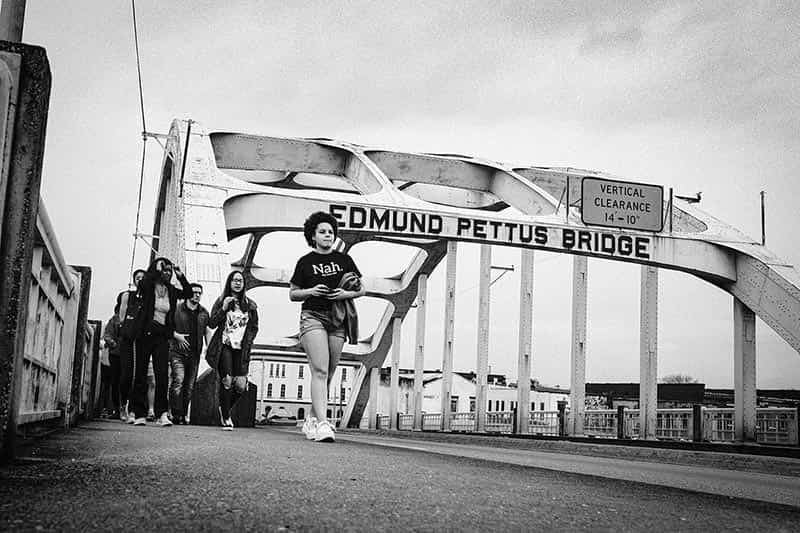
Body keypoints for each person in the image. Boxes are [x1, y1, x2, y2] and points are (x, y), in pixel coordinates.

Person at [289, 211, 364, 442]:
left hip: (338, 318)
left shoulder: (344, 260)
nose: (327, 236)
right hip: (313, 316)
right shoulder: (305, 262)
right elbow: (293, 294)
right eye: (322, 232)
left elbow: (362, 289)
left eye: (331, 232)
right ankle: (323, 424)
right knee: (319, 370)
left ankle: (311, 419)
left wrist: (346, 293)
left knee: (330, 372)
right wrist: (311, 291)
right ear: (313, 235)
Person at [129, 257, 193, 426]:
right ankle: (139, 413)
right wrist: (155, 269)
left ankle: (162, 414)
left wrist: (181, 276)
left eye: (169, 271)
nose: (167, 273)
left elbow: (188, 293)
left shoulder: (171, 290)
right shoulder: (149, 286)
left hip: (162, 337)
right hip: (144, 335)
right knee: (141, 375)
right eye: (163, 270)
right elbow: (142, 283)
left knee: (162, 375)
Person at [206, 271, 259, 431]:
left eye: (240, 280)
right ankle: (227, 417)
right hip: (225, 347)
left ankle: (224, 408)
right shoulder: (222, 301)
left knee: (241, 386)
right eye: (234, 280)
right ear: (230, 283)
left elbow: (254, 327)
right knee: (227, 380)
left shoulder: (250, 305)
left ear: (244, 284)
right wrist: (223, 308)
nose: (237, 283)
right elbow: (212, 323)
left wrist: (248, 342)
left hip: (241, 350)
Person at [169, 282, 211, 425]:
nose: (197, 295)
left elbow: (207, 330)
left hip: (195, 354)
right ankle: (175, 414)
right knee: (178, 381)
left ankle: (182, 414)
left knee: (189, 386)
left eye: (199, 293)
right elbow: (167, 327)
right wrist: (177, 336)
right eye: (194, 292)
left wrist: (208, 347)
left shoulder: (204, 313)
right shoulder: (176, 309)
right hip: (177, 352)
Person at [117, 268, 146, 423]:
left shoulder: (149, 297)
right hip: (128, 339)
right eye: (137, 277)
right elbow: (121, 316)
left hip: (142, 341)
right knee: (127, 375)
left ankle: (134, 409)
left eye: (143, 277)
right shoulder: (127, 296)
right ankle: (123, 405)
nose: (140, 280)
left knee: (139, 376)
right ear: (134, 280)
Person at [102, 306, 123, 419]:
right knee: (116, 381)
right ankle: (117, 408)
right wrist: (114, 344)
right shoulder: (114, 319)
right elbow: (107, 336)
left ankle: (118, 409)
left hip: (118, 353)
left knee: (118, 381)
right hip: (116, 354)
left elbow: (107, 336)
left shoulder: (114, 319)